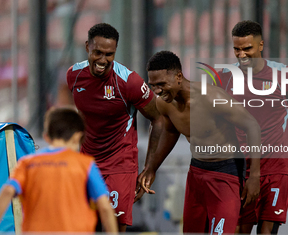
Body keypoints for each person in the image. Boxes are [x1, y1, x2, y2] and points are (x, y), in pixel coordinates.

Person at [217, 20, 288, 234]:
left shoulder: (284, 76)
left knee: (267, 232)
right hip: (239, 169)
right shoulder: (225, 78)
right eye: (236, 49)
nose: (241, 55)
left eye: (247, 48)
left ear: (260, 45)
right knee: (240, 230)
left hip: (276, 166)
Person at [138, 50, 262, 234]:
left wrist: (254, 177)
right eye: (153, 85)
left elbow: (252, 126)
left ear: (179, 77)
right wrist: (151, 168)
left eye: (162, 84)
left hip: (226, 174)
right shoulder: (164, 103)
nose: (157, 91)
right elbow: (170, 132)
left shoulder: (212, 98)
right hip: (196, 173)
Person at [66, 23, 163, 232]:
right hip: (86, 163)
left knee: (112, 229)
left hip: (119, 164)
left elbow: (159, 119)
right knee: (84, 227)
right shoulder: (73, 76)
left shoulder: (128, 82)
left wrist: (149, 168)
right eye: (97, 52)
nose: (102, 60)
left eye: (109, 54)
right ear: (87, 48)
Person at [0, 107, 118, 233]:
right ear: (78, 136)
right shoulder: (85, 164)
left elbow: (7, 191)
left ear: (46, 136)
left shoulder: (27, 163)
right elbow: (104, 206)